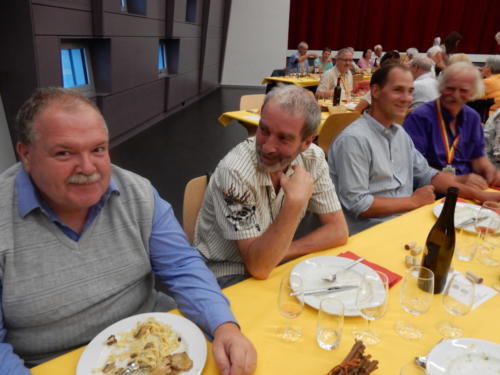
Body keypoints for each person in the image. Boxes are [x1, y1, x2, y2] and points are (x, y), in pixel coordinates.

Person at [0, 88, 256, 374]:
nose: (88, 168)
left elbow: (182, 266)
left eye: (98, 149)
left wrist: (225, 326)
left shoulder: (137, 193)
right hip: (49, 363)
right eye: (64, 153)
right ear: (26, 154)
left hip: (154, 342)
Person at [194, 85, 348, 287]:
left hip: (277, 263)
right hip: (228, 273)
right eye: (263, 130)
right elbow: (257, 267)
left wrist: (281, 251)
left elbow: (338, 231)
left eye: (283, 138)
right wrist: (294, 203)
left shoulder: (313, 158)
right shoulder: (235, 171)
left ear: (307, 142)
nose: (267, 147)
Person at [328, 64, 500, 234]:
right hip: (371, 233)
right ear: (375, 91)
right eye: (398, 90)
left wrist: (480, 195)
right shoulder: (354, 140)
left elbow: (428, 175)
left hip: (406, 220)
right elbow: (359, 204)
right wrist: (414, 201)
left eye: (410, 91)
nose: (407, 98)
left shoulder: (399, 134)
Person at [404, 62, 500, 188]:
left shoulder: (472, 118)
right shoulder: (420, 117)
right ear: (440, 87)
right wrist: (458, 180)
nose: (455, 95)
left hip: (466, 188)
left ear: (472, 93)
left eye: (463, 90)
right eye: (450, 88)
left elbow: (477, 157)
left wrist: (490, 172)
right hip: (430, 188)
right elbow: (414, 167)